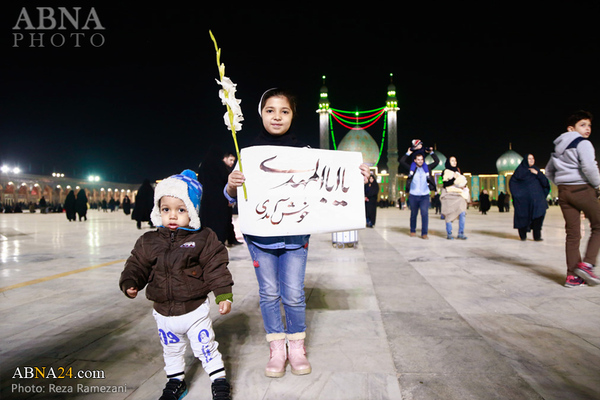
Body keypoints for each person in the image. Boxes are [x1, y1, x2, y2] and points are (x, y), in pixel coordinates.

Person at [225, 88, 369, 378]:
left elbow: (325, 188)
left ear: (293, 115)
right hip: (260, 238)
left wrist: (357, 176)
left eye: (284, 111)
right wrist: (231, 185)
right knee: (268, 293)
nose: (277, 116)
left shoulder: (305, 154)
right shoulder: (248, 153)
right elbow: (231, 197)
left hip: (295, 238)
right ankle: (276, 349)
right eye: (270, 110)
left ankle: (296, 348)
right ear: (260, 113)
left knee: (292, 293)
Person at [119, 169, 233, 400]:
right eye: (166, 209)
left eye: (181, 210)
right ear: (157, 211)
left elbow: (216, 267)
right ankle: (175, 381)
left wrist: (223, 295)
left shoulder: (203, 239)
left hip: (194, 310)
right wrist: (131, 282)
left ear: (192, 211)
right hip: (163, 312)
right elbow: (137, 264)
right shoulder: (148, 241)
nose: (172, 215)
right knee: (171, 349)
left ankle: (218, 379)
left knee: (205, 347)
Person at [546, 110, 600, 288]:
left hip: (564, 192)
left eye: (589, 125)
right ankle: (587, 264)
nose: (587, 129)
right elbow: (589, 167)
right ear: (571, 129)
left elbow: (549, 172)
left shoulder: (558, 149)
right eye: (582, 125)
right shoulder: (583, 143)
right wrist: (598, 185)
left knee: (572, 234)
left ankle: (572, 276)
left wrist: (562, 183)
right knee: (598, 225)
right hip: (582, 189)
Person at [198, 146, 241, 246]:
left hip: (206, 199)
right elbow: (225, 180)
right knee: (223, 219)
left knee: (208, 220)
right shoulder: (219, 165)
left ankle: (209, 240)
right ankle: (224, 239)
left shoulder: (203, 165)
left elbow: (200, 180)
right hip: (220, 198)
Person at [400, 145, 439, 239]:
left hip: (424, 195)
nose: (420, 161)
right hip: (413, 195)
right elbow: (401, 161)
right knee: (414, 214)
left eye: (422, 159)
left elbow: (437, 161)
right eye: (418, 159)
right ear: (415, 160)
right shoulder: (412, 169)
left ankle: (424, 233)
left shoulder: (427, 168)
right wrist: (408, 153)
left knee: (425, 213)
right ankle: (413, 230)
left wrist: (431, 153)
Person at [509, 154, 550, 241]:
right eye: (529, 158)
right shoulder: (520, 172)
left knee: (538, 216)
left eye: (533, 158)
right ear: (525, 160)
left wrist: (538, 174)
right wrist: (518, 195)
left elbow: (545, 183)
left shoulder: (537, 170)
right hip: (524, 202)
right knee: (523, 217)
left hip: (537, 200)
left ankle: (537, 236)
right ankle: (523, 236)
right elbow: (512, 183)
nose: (531, 160)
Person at [440, 156, 469, 240]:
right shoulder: (445, 171)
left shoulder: (459, 171)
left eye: (455, 160)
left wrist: (463, 186)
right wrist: (454, 178)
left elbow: (463, 181)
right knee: (449, 214)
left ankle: (461, 233)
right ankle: (449, 233)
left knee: (462, 213)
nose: (454, 162)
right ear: (448, 162)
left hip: (459, 195)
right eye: (452, 160)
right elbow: (445, 184)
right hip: (449, 196)